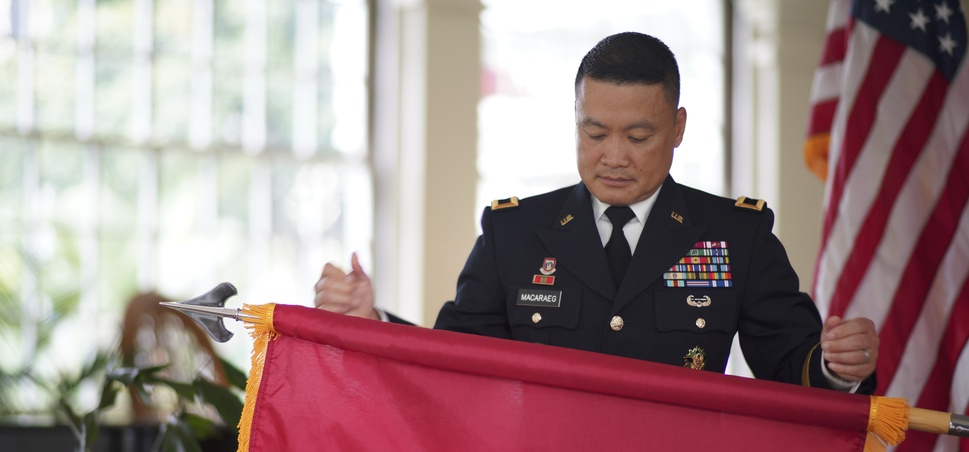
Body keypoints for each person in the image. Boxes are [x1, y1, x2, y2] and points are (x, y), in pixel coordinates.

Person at [314, 32, 878, 393]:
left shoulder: (735, 235)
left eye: (638, 136)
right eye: (595, 132)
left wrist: (837, 365)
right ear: (576, 119)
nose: (614, 157)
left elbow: (793, 368)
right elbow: (456, 364)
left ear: (677, 128)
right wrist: (373, 324)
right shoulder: (514, 233)